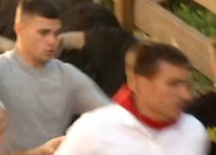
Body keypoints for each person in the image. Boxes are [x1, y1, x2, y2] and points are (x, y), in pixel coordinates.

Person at [0, 0, 108, 154]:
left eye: (56, 33)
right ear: (19, 29)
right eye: (43, 33)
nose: (52, 41)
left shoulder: (68, 76)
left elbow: (110, 114)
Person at [55, 42, 208, 155]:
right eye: (173, 84)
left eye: (187, 85)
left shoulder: (194, 131)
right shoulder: (93, 129)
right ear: (138, 84)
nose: (186, 95)